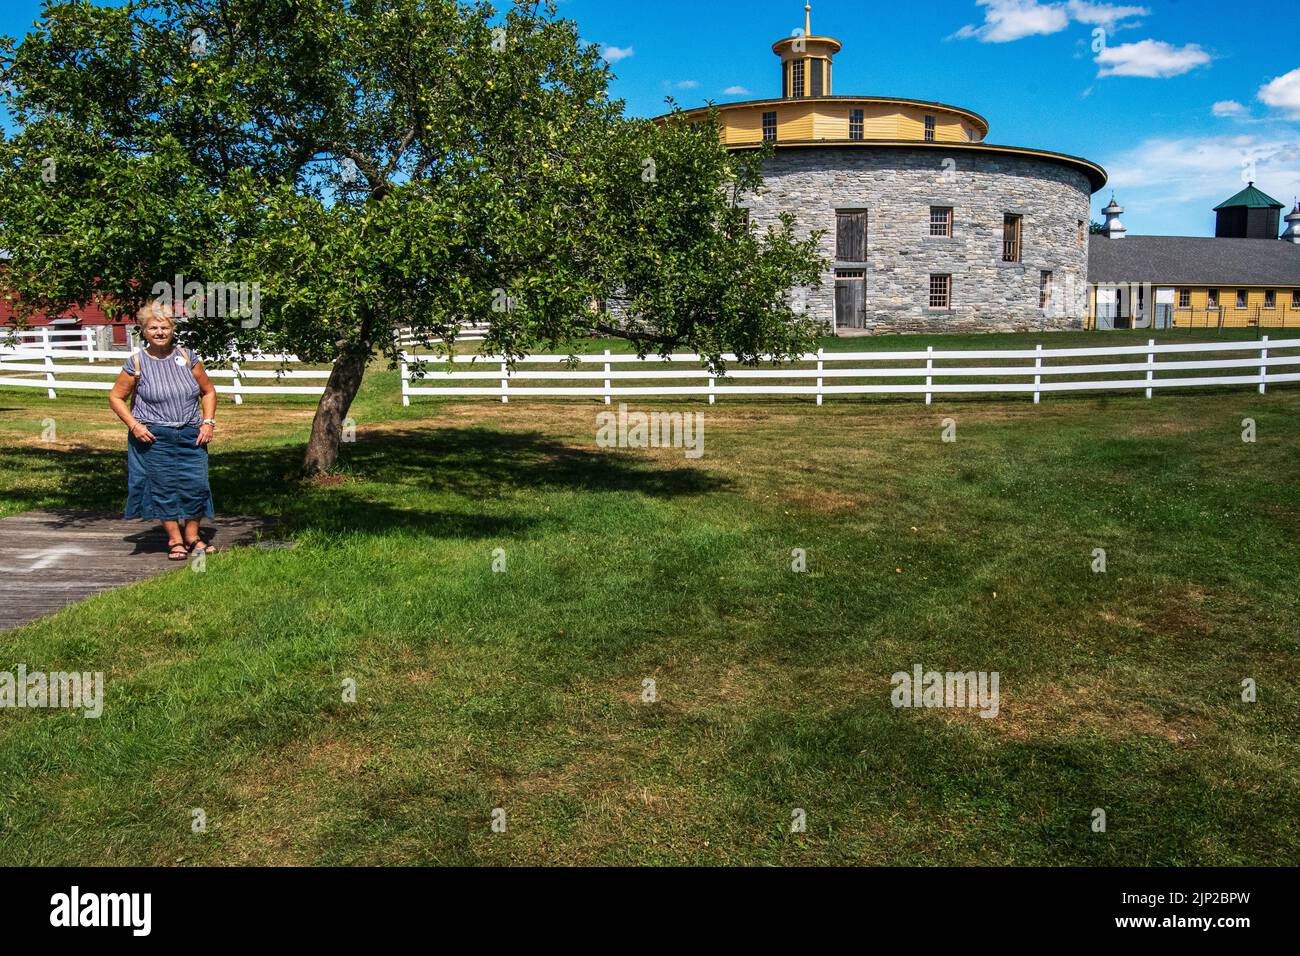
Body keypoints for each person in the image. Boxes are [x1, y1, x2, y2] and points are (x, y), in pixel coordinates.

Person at [108, 301, 219, 559]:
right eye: (153, 328)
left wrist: (208, 422)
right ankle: (175, 540)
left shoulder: (188, 357)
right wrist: (134, 425)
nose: (159, 332)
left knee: (197, 485)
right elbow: (115, 397)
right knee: (163, 487)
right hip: (154, 437)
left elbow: (208, 391)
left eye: (164, 327)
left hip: (192, 434)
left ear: (172, 329)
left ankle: (193, 536)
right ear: (143, 331)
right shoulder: (136, 363)